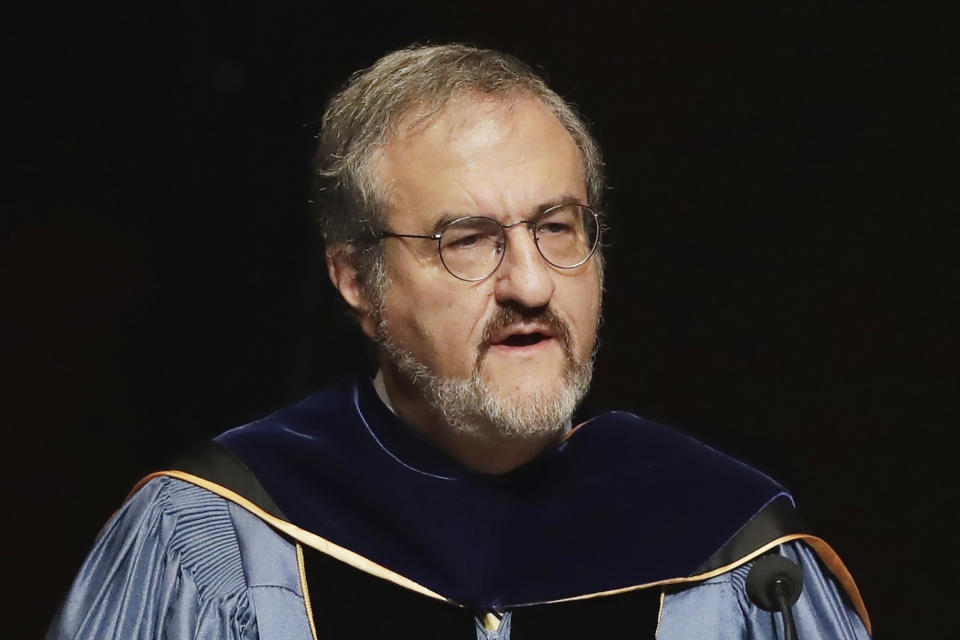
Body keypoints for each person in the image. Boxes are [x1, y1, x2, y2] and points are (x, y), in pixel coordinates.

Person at [47, 44, 872, 640]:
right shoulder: (215, 537)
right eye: (468, 239)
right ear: (356, 280)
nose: (532, 284)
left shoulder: (739, 555)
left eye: (557, 227)